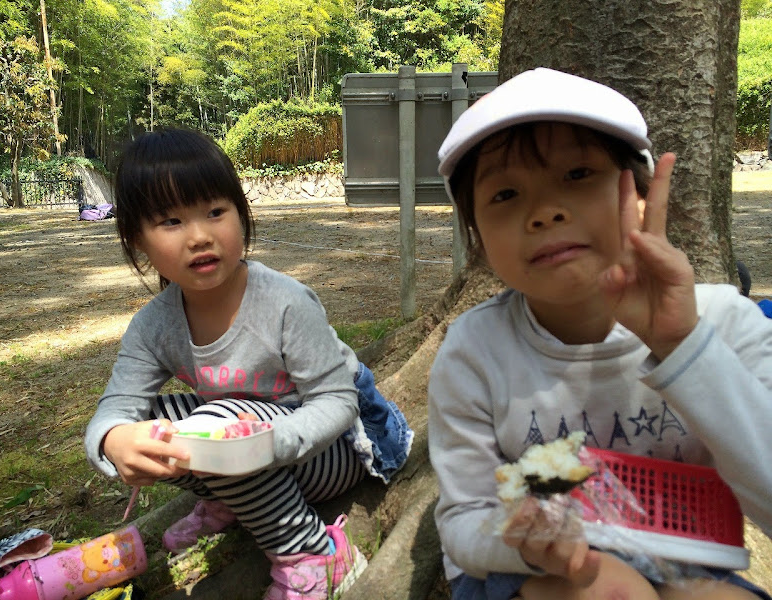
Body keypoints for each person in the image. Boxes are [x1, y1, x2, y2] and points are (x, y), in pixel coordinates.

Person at [428, 67, 772, 600]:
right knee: (611, 591)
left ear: (639, 194)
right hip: (526, 569)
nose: (544, 212)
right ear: (476, 237)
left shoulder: (723, 323)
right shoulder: (473, 351)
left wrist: (684, 348)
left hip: (689, 558)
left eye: (578, 174)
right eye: (506, 193)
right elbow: (463, 518)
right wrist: (527, 545)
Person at [84, 128, 413, 600]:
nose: (200, 236)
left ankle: (314, 556)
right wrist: (115, 441)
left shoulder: (284, 301)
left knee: (221, 423)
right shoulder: (153, 325)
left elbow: (338, 403)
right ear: (138, 239)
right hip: (247, 441)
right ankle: (237, 496)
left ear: (241, 214)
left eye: (215, 212)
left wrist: (262, 446)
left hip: (338, 447)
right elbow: (115, 409)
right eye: (171, 221)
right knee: (152, 423)